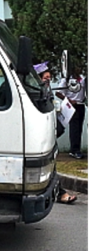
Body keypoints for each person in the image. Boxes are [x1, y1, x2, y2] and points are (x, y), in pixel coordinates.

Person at [34, 61, 77, 204]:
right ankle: (60, 193)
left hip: (49, 131)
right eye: (45, 78)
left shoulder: (46, 90)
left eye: (49, 78)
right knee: (50, 165)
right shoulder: (34, 91)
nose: (48, 80)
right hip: (40, 134)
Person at [56, 66, 86, 159]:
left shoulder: (83, 79)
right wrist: (68, 100)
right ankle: (74, 150)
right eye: (77, 67)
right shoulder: (67, 79)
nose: (79, 69)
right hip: (71, 106)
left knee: (79, 128)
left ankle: (77, 148)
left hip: (81, 105)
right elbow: (58, 92)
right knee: (74, 128)